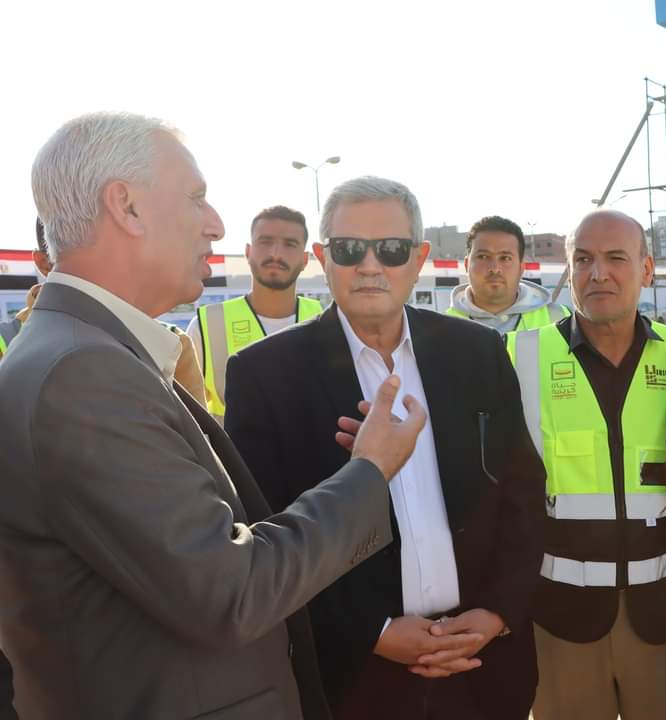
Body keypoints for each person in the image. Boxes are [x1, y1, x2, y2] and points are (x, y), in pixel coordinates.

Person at [0, 112, 429, 719]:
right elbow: (234, 590)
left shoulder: (85, 354)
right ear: (126, 207)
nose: (216, 225)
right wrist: (371, 469)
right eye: (196, 198)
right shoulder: (83, 373)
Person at [224, 176, 546, 720]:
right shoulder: (264, 375)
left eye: (391, 249)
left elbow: (523, 493)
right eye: (350, 249)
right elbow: (266, 534)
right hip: (352, 679)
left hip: (481, 668)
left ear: (418, 259)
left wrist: (496, 613)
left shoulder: (478, 353)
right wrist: (372, 632)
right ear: (323, 258)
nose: (370, 266)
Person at [506, 210, 666, 720]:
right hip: (558, 619)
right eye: (583, 259)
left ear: (646, 269)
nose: (598, 274)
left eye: (616, 258)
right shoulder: (520, 357)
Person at [0, 218, 206, 402]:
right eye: (80, 260)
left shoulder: (173, 345)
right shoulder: (6, 343)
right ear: (43, 263)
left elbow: (195, 432)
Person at [186, 205, 321, 421]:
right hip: (232, 445)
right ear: (248, 253)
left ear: (305, 260)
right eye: (265, 242)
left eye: (289, 244)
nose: (275, 254)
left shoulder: (326, 321)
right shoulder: (207, 326)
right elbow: (186, 418)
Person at [446, 215, 569, 334]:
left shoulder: (563, 321)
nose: (495, 269)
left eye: (505, 258)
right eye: (483, 256)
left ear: (521, 268)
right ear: (466, 265)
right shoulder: (442, 329)